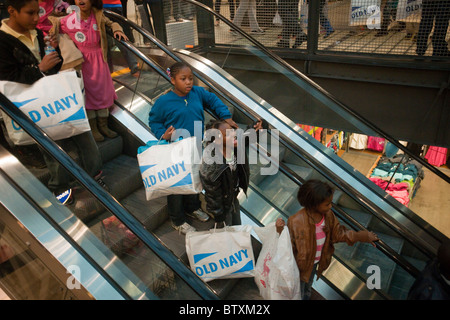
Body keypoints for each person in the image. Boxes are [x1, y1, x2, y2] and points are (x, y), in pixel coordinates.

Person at [0, 0, 104, 204]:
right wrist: (39, 68)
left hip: (56, 98)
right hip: (33, 106)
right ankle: (60, 187)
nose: (37, 18)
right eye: (30, 13)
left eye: (37, 12)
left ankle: (94, 177)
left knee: (84, 134)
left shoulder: (37, 33)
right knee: (52, 147)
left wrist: (53, 52)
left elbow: (52, 68)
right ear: (12, 11)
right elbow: (6, 78)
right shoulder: (3, 41)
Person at [148, 61, 237, 234]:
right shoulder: (163, 101)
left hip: (196, 145)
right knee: (177, 186)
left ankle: (193, 207)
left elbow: (213, 100)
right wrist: (162, 134)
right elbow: (154, 121)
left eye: (190, 78)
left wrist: (225, 116)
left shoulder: (198, 93)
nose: (189, 82)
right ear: (173, 80)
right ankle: (177, 219)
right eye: (183, 79)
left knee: (195, 178)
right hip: (176, 150)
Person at [276, 179, 379, 300]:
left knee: (307, 287)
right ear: (314, 204)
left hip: (314, 262)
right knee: (296, 290)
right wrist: (280, 230)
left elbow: (338, 234)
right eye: (327, 204)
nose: (330, 206)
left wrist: (363, 236)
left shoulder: (328, 216)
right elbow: (288, 244)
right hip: (297, 266)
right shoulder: (296, 221)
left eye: (330, 203)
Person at [50, 0, 126, 142]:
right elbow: (54, 31)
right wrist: (53, 40)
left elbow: (112, 23)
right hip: (82, 62)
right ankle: (94, 128)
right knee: (88, 95)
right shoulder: (68, 19)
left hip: (99, 60)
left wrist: (117, 29)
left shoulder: (98, 15)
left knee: (103, 93)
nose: (81, 0)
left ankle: (103, 126)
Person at [199, 118, 262, 227]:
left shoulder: (234, 145)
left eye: (231, 130)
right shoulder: (211, 166)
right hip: (223, 205)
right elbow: (213, 196)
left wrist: (258, 126)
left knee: (237, 226)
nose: (233, 135)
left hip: (233, 197)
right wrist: (219, 216)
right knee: (227, 230)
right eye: (227, 135)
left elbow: (246, 136)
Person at [102, 0, 140, 77]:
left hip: (102, 7)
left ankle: (109, 71)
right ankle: (134, 67)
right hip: (117, 5)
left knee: (105, 39)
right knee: (120, 36)